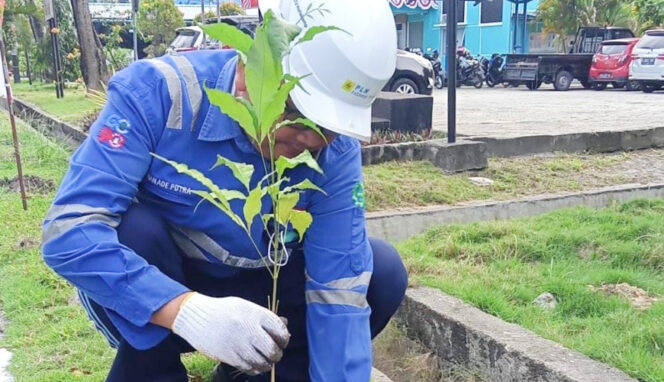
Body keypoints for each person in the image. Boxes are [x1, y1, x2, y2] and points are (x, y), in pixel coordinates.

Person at [41, 0, 408, 381]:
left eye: (329, 127)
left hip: (266, 290)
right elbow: (68, 230)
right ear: (254, 70)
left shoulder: (334, 152)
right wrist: (188, 311)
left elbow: (339, 288)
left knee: (379, 271)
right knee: (134, 229)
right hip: (166, 290)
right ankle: (155, 368)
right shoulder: (158, 94)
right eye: (300, 117)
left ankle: (251, 375)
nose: (313, 140)